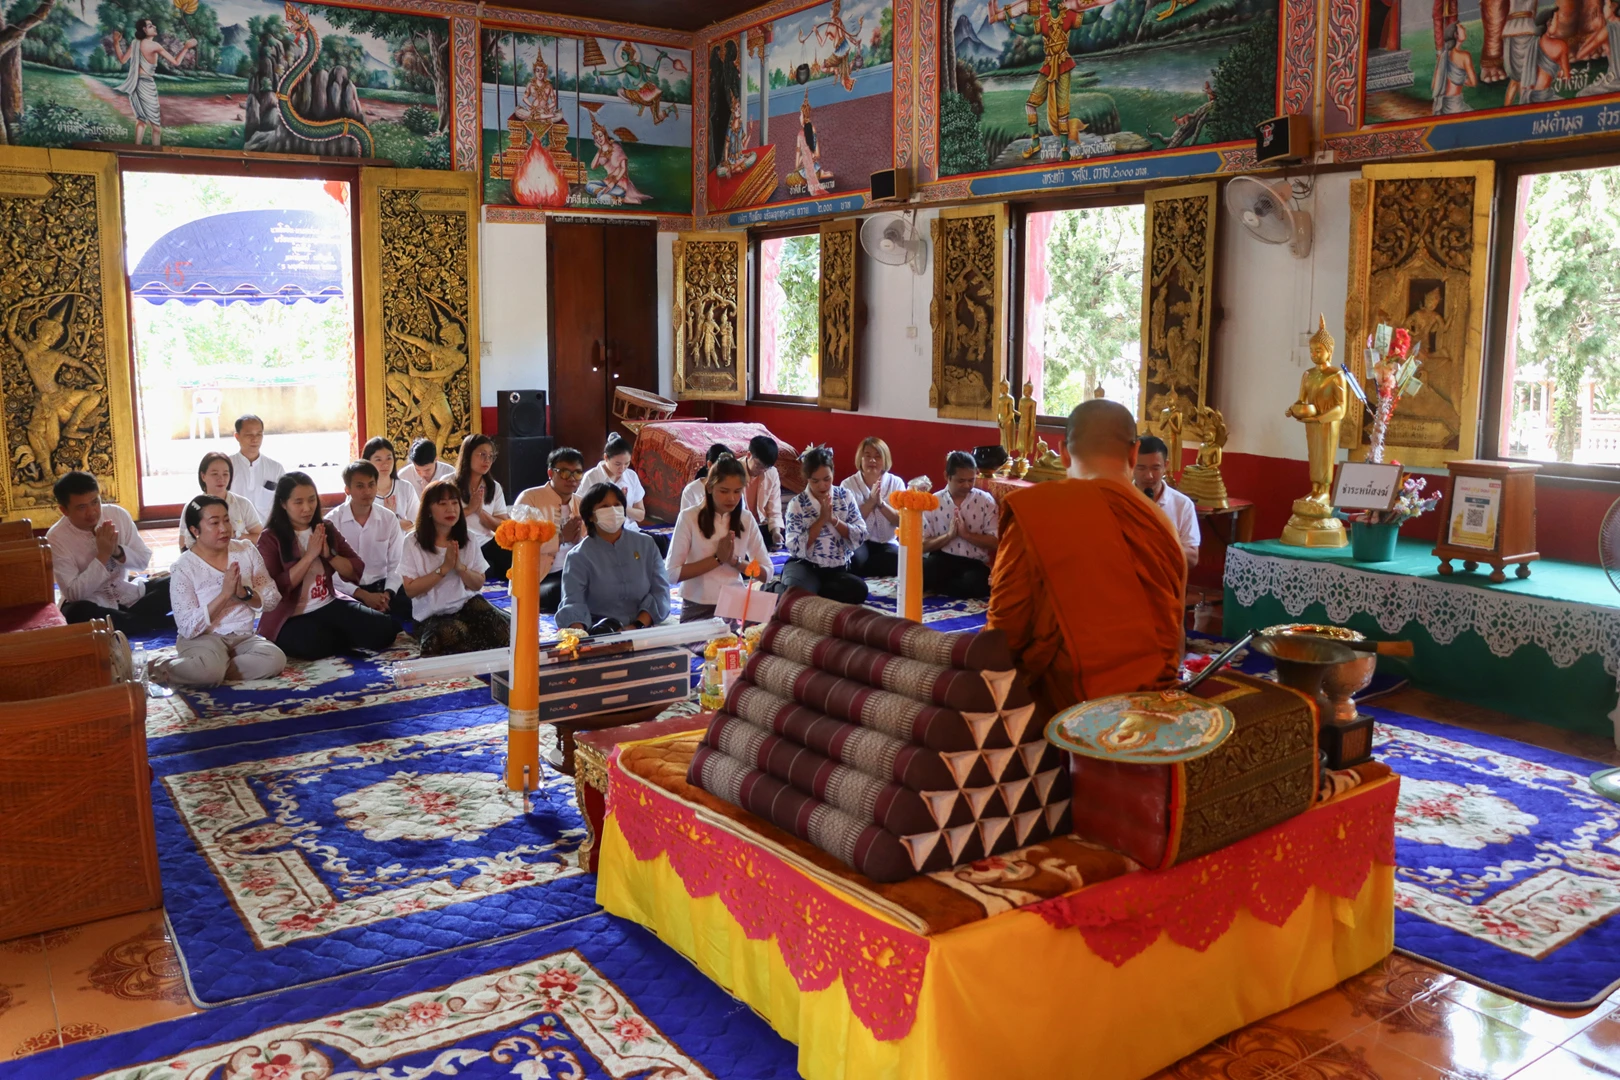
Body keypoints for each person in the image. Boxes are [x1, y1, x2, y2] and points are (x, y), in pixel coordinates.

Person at [987, 399, 1186, 716]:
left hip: (1068, 707)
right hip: (1148, 703)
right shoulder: (1160, 524)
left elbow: (1006, 629)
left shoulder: (1040, 511)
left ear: (1063, 451)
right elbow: (1175, 628)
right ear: (1134, 454)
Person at [256, 471, 398, 661]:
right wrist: (309, 556)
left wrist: (329, 556)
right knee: (314, 645)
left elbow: (355, 569)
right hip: (291, 614)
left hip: (328, 602)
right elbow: (275, 588)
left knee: (385, 630)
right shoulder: (270, 538)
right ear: (283, 504)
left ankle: (341, 637)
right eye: (298, 502)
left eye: (312, 500)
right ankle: (343, 637)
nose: (307, 508)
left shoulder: (325, 528)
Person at [157, 495, 286, 688]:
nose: (224, 528)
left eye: (226, 520)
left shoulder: (245, 550)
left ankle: (213, 670)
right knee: (209, 669)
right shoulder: (183, 567)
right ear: (195, 530)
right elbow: (187, 627)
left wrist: (245, 594)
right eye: (214, 522)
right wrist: (225, 595)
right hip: (202, 639)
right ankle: (161, 667)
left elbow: (272, 596)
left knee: (275, 659)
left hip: (242, 637)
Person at [46, 470, 173, 633]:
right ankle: (152, 623)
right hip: (93, 604)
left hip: (128, 594)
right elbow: (74, 594)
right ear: (64, 510)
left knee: (175, 583)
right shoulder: (56, 537)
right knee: (77, 613)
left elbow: (143, 561)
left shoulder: (117, 515)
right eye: (82, 507)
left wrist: (117, 551)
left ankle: (134, 624)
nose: (92, 512)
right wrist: (103, 555)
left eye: (95, 502)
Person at [400, 479, 511, 656]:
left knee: (506, 632)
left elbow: (477, 584)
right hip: (432, 615)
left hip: (466, 604)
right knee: (449, 636)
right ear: (428, 509)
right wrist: (444, 569)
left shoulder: (468, 538)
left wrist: (460, 567)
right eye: (442, 504)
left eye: (454, 503)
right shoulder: (413, 542)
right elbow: (410, 590)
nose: (451, 509)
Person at [667, 456, 774, 622]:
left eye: (737, 491)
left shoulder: (745, 518)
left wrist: (735, 561)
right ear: (710, 487)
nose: (731, 498)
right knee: (708, 648)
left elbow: (767, 573)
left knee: (756, 644)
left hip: (735, 603)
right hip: (698, 606)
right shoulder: (689, 517)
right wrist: (717, 559)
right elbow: (671, 574)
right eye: (724, 491)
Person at [556, 483, 670, 633]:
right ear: (590, 516)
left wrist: (637, 626)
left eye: (617, 505)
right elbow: (573, 603)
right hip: (600, 631)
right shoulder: (578, 556)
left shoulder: (646, 544)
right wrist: (582, 637)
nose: (612, 511)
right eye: (604, 506)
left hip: (644, 628)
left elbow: (660, 592)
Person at [327, 460, 411, 627]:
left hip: (383, 588)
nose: (367, 491)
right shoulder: (331, 522)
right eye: (360, 486)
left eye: (371, 485)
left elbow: (397, 562)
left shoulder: (388, 519)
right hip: (348, 591)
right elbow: (330, 573)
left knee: (416, 607)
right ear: (347, 489)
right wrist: (363, 595)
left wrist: (388, 592)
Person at [781, 446, 868, 605]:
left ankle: (813, 593)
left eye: (826, 479)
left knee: (859, 590)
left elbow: (861, 533)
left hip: (836, 569)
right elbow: (793, 545)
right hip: (806, 566)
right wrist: (821, 520)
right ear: (807, 478)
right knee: (796, 593)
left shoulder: (844, 496)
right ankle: (792, 588)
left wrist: (834, 520)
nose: (822, 486)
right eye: (815, 481)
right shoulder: (797, 504)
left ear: (833, 474)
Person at [516, 446, 587, 614]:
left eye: (577, 473)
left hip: (575, 574)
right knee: (562, 592)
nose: (571, 478)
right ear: (550, 473)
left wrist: (580, 541)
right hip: (540, 578)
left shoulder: (582, 503)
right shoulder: (529, 498)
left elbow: (591, 545)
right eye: (564, 472)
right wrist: (561, 537)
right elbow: (521, 545)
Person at [921, 451, 1000, 600]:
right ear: (947, 476)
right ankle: (945, 586)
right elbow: (922, 545)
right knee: (916, 576)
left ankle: (940, 587)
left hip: (973, 562)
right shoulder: (933, 501)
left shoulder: (985, 501)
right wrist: (949, 536)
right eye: (961, 481)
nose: (967, 485)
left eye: (971, 480)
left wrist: (967, 535)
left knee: (977, 584)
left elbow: (995, 542)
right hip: (942, 558)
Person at [1134, 435, 1200, 572]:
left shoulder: (1182, 505)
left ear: (1166, 466)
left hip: (1167, 583)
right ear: (1131, 464)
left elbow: (1193, 558)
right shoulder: (1121, 499)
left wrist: (1159, 547)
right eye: (1141, 468)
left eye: (1155, 468)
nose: (1149, 476)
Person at [841, 436, 904, 577]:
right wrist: (870, 502)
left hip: (887, 543)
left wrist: (881, 503)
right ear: (860, 459)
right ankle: (863, 566)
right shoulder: (847, 485)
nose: (872, 461)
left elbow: (900, 521)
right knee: (853, 560)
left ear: (885, 460)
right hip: (859, 541)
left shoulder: (896, 483)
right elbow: (847, 522)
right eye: (867, 456)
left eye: (877, 456)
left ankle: (864, 568)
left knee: (901, 561)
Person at [581, 434, 658, 547]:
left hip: (630, 531)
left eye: (627, 463)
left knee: (660, 544)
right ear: (606, 457)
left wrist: (623, 507)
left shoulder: (631, 476)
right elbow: (581, 512)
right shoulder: (592, 477)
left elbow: (641, 515)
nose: (622, 468)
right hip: (601, 533)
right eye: (617, 464)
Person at [456, 433, 511, 582]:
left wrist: (480, 512)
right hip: (460, 544)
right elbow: (439, 520)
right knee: (488, 571)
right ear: (468, 455)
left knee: (512, 558)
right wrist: (469, 509)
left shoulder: (493, 487)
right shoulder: (449, 484)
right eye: (482, 455)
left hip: (486, 542)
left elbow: (502, 526)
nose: (487, 460)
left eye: (491, 456)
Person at [187, 451, 262, 549]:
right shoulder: (194, 506)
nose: (221, 478)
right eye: (215, 474)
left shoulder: (243, 504)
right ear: (203, 476)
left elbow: (261, 538)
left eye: (225, 474)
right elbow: (184, 544)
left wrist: (237, 535)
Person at [229, 414, 284, 521]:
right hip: (235, 534)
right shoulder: (226, 466)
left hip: (266, 533)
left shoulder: (276, 469)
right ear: (237, 437)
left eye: (259, 434)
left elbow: (284, 502)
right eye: (249, 435)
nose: (255, 439)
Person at [364, 436, 420, 531]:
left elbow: (416, 525)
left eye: (389, 458)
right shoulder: (361, 491)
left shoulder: (405, 488)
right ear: (367, 461)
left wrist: (393, 518)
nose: (385, 464)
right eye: (378, 460)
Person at [744, 434, 785, 549]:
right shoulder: (733, 471)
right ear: (748, 455)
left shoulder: (771, 472)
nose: (762, 471)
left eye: (766, 467)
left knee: (782, 537)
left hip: (760, 526)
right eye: (758, 465)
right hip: (739, 527)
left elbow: (774, 509)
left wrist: (776, 532)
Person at [681, 443, 734, 513]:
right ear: (709, 465)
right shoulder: (691, 490)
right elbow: (685, 520)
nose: (727, 473)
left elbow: (740, 516)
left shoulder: (734, 488)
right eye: (723, 468)